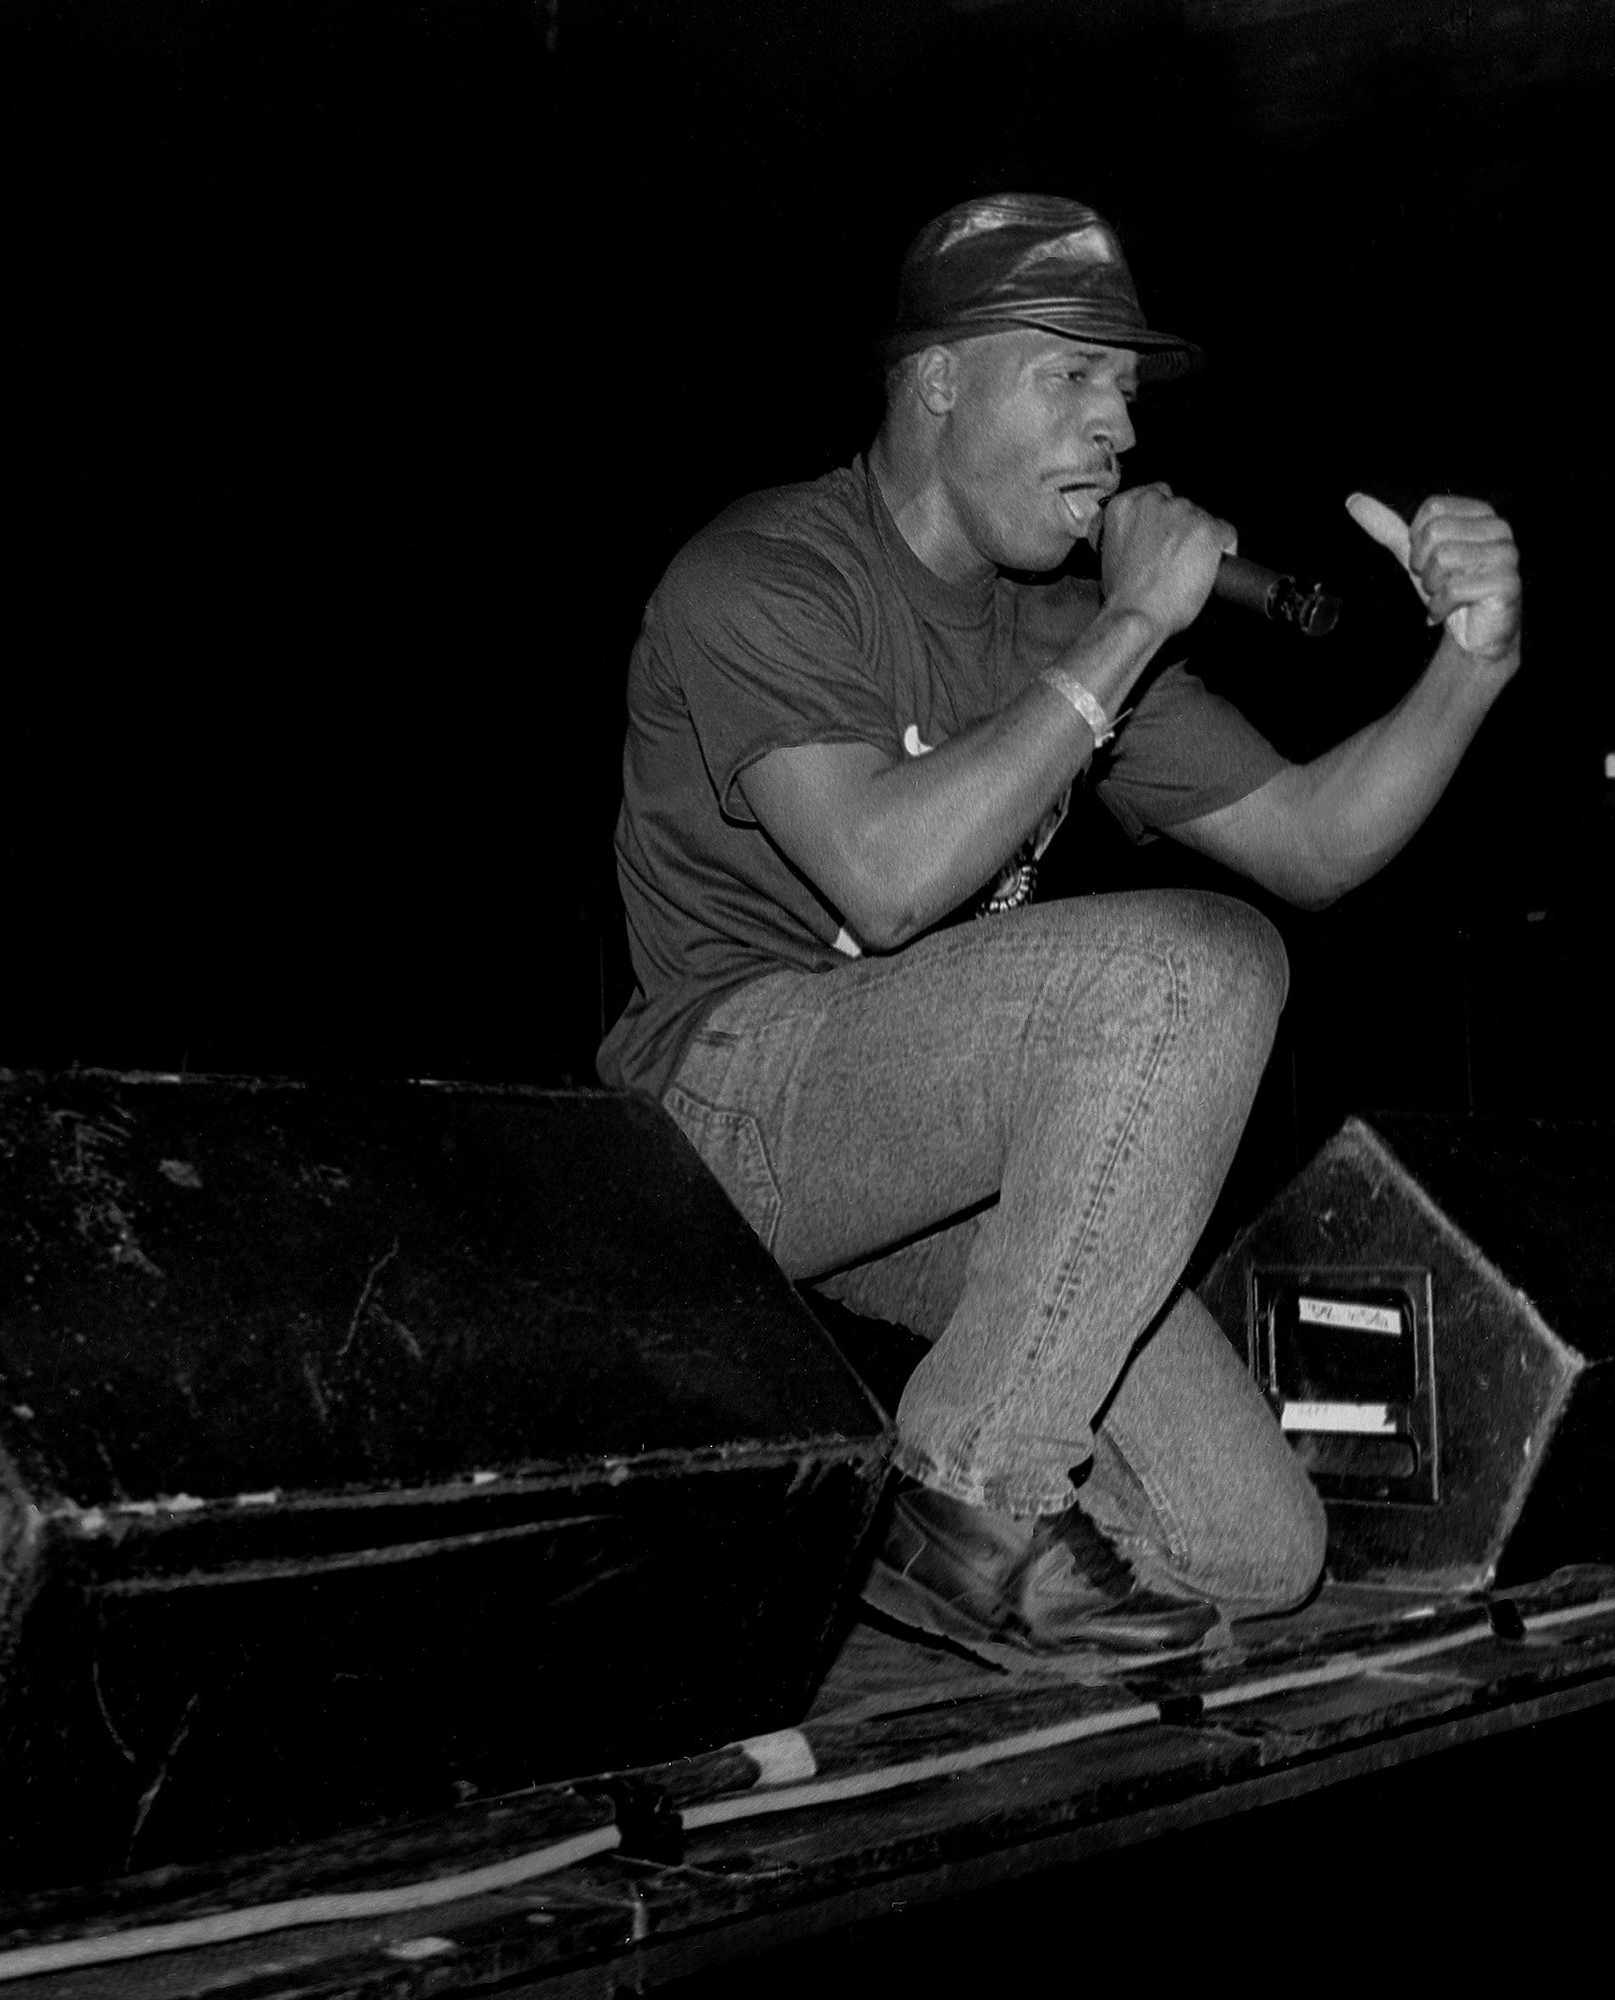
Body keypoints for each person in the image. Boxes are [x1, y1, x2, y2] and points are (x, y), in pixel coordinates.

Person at [608, 194, 1522, 1663]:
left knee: (1253, 1551)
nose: (1120, 432)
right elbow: (885, 881)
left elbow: (1316, 844)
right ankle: (971, 1485)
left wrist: (1472, 670)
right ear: (939, 379)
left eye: (1129, 391)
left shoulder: (1057, 633)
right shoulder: (763, 573)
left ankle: (902, 1582)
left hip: (942, 1134)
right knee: (1190, 968)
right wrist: (1128, 632)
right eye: (1072, 375)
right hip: (722, 1119)